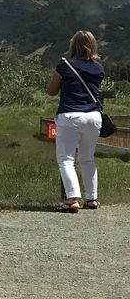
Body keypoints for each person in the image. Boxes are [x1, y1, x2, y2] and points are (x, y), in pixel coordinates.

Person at [45, 31, 105, 213]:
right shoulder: (99, 68)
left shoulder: (64, 66)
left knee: (66, 159)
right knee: (87, 158)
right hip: (93, 117)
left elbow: (52, 91)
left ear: (73, 46)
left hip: (70, 116)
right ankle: (92, 198)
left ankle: (72, 199)